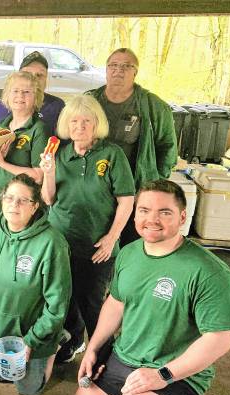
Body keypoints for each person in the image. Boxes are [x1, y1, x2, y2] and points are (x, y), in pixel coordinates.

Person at [74, 179, 230, 395]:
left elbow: (219, 339)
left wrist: (163, 375)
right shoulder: (129, 253)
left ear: (182, 216)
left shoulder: (209, 271)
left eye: (165, 212)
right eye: (144, 210)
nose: (152, 219)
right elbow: (115, 304)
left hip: (175, 366)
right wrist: (93, 348)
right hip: (127, 355)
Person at [40, 95, 135, 364]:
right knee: (64, 298)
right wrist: (48, 172)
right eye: (74, 121)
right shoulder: (59, 153)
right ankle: (71, 343)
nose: (79, 126)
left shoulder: (112, 155)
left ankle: (102, 357)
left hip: (97, 245)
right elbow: (48, 199)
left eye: (86, 121)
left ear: (97, 124)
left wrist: (111, 238)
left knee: (92, 303)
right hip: (61, 242)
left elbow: (126, 200)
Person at [0, 174, 71, 395]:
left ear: (35, 206)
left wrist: (32, 340)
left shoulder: (52, 243)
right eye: (9, 198)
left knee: (29, 391)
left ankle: (54, 343)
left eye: (23, 200)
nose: (13, 205)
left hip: (27, 332)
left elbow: (58, 304)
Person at [87, 48, 177, 246]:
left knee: (131, 245)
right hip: (94, 191)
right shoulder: (90, 101)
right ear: (106, 70)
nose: (119, 70)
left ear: (135, 72)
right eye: (113, 65)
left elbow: (168, 148)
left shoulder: (153, 106)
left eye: (127, 66)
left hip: (134, 193)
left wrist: (153, 188)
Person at [0, 71, 48, 214]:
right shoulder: (3, 125)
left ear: (36, 97)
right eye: (15, 91)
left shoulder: (38, 130)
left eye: (26, 92)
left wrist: (2, 163)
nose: (20, 96)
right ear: (7, 95)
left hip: (21, 207)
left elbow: (38, 176)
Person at [0, 51, 65, 138]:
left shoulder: (57, 106)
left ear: (46, 79)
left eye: (39, 75)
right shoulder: (2, 106)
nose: (33, 79)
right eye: (27, 74)